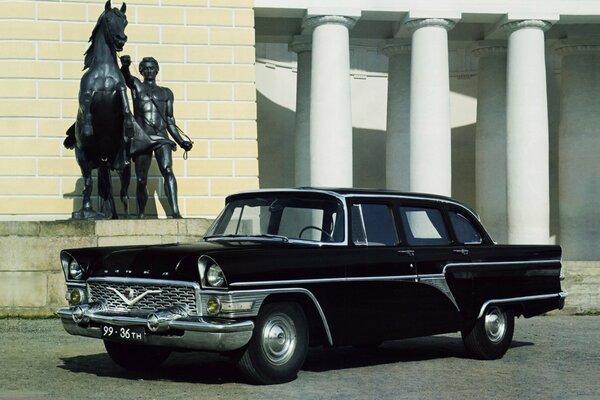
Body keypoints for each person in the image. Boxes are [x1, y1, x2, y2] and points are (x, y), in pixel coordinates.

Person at [120, 55, 193, 218]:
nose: (149, 71)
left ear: (157, 70)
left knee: (167, 170)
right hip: (142, 138)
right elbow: (126, 77)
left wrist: (181, 142)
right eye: (145, 68)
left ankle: (175, 211)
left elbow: (169, 121)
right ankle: (141, 213)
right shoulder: (137, 86)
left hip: (161, 137)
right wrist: (125, 65)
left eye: (152, 68)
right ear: (141, 71)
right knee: (141, 180)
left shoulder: (166, 93)